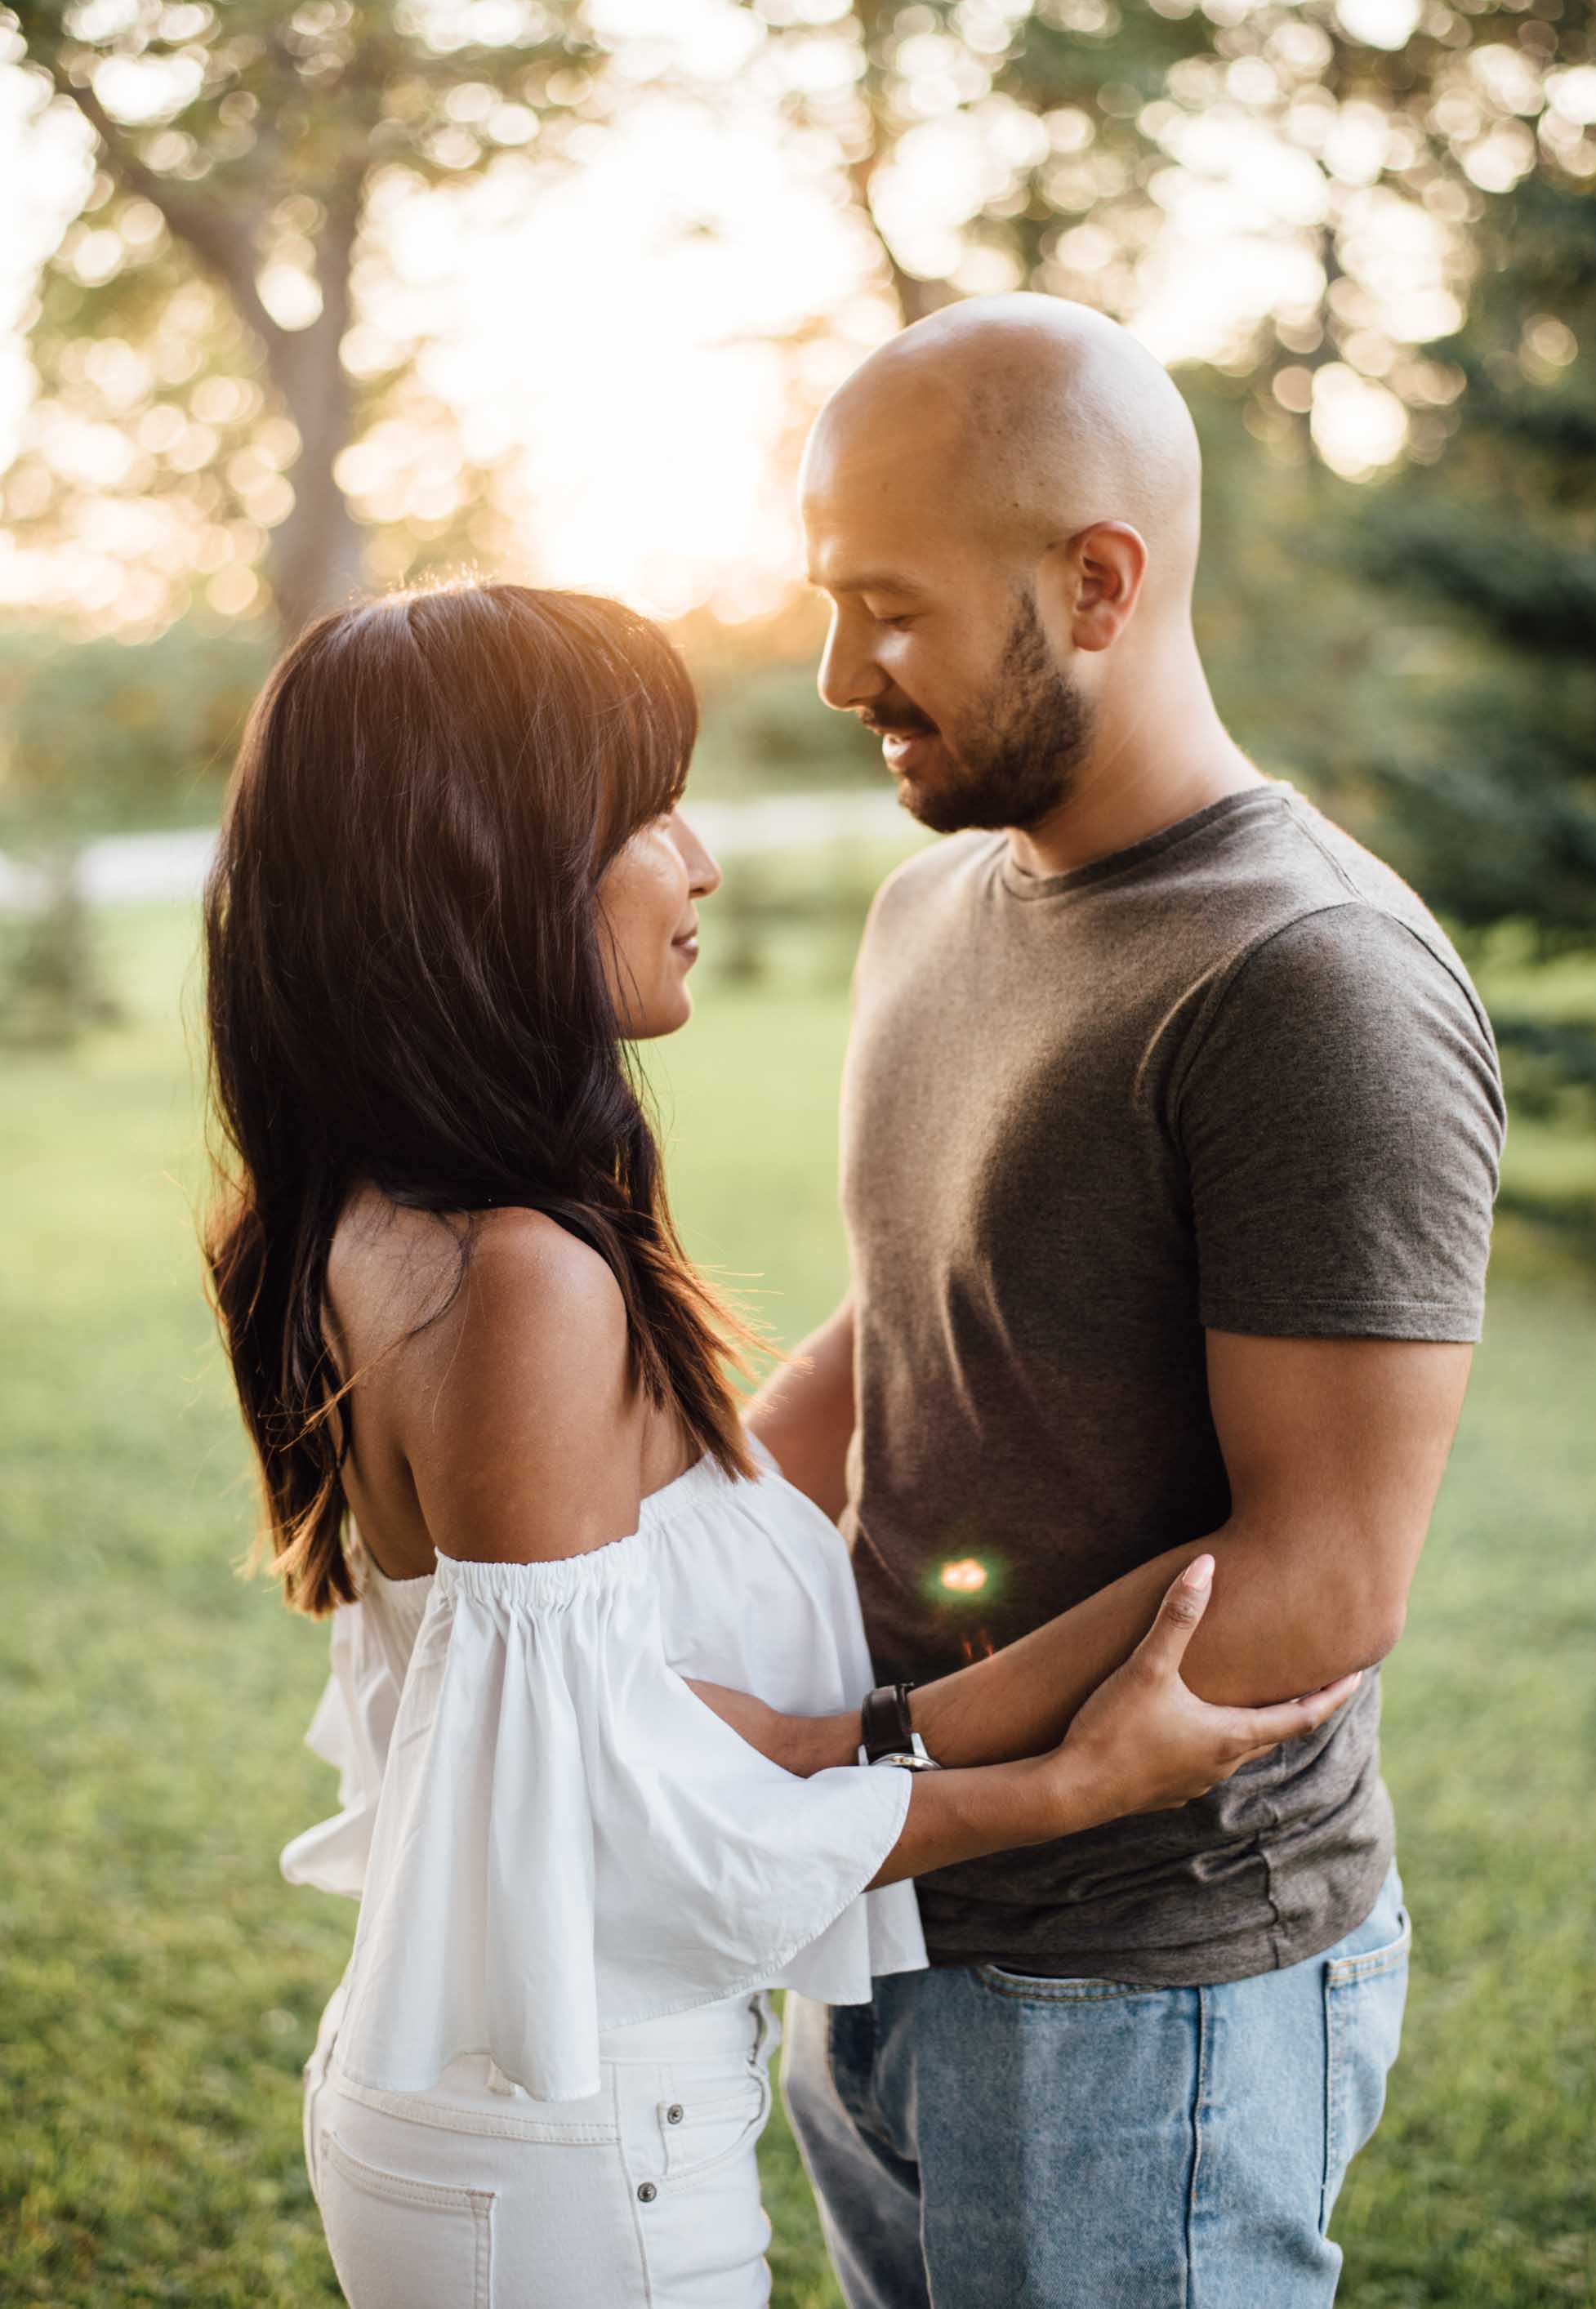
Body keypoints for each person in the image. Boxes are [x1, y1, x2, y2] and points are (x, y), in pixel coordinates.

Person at [202, 582, 1357, 2309]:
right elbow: (609, 1825)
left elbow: (641, 1602)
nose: (700, 862)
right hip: (576, 2163)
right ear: (493, 873)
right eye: (644, 813)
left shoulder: (381, 1217)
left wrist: (979, 1259)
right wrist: (1061, 1787)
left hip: (510, 2123)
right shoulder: (516, 1277)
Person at [757, 295, 1508, 2308]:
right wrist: (649, 1536)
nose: (840, 674)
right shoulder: (937, 900)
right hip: (891, 1919)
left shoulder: (1310, 980)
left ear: (1096, 583)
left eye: (888, 610)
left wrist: (870, 1751)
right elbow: (925, 1309)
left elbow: (1322, 1572)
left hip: (1144, 1993)